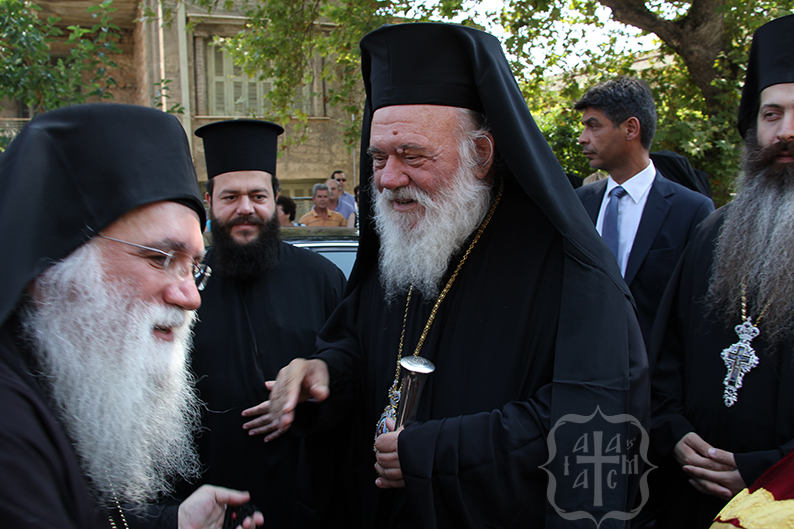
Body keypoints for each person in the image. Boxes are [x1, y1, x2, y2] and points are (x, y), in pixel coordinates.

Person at [244, 23, 649, 528]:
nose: (389, 179)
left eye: (412, 155)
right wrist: (326, 373)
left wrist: (432, 454)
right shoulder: (404, 244)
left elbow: (597, 433)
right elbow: (361, 345)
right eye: (378, 158)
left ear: (482, 154)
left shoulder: (570, 271)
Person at [0, 104, 263, 529]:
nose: (191, 297)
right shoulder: (8, 434)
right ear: (54, 267)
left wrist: (170, 523)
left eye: (194, 267)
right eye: (161, 258)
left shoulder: (57, 371)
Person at [647, 14, 794, 528]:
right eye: (771, 115)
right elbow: (666, 353)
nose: (785, 132)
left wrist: (765, 472)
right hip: (687, 494)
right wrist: (672, 429)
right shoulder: (714, 232)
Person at [181, 119, 347, 527]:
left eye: (258, 195)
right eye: (230, 196)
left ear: (275, 199)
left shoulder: (323, 278)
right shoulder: (180, 286)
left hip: (304, 496)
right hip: (209, 500)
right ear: (209, 201)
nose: (245, 208)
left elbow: (352, 372)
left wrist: (313, 396)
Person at [574, 77, 714, 345]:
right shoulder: (578, 204)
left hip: (654, 379)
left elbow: (696, 314)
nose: (583, 138)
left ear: (630, 128)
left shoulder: (691, 211)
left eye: (593, 126)